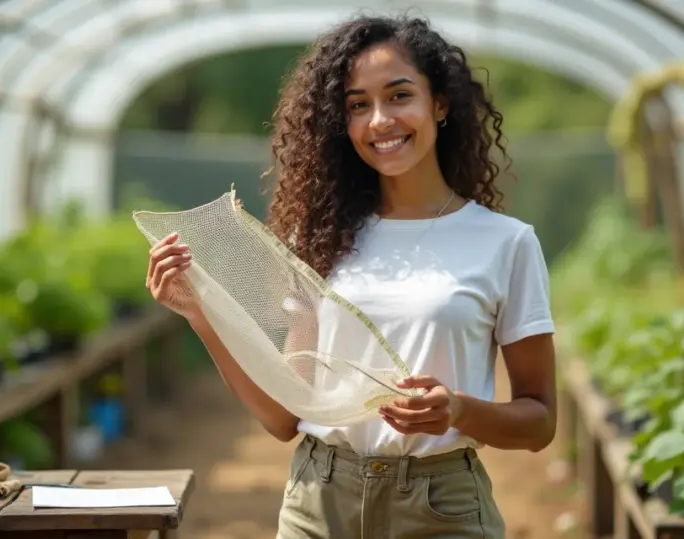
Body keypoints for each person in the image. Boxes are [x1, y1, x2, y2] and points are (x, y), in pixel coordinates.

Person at [145, 13, 557, 539]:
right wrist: (200, 313)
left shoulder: (507, 242)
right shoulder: (319, 240)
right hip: (319, 501)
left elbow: (540, 423)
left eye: (399, 95)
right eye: (358, 105)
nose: (380, 120)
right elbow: (282, 417)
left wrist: (457, 410)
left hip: (441, 507)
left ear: (441, 103)